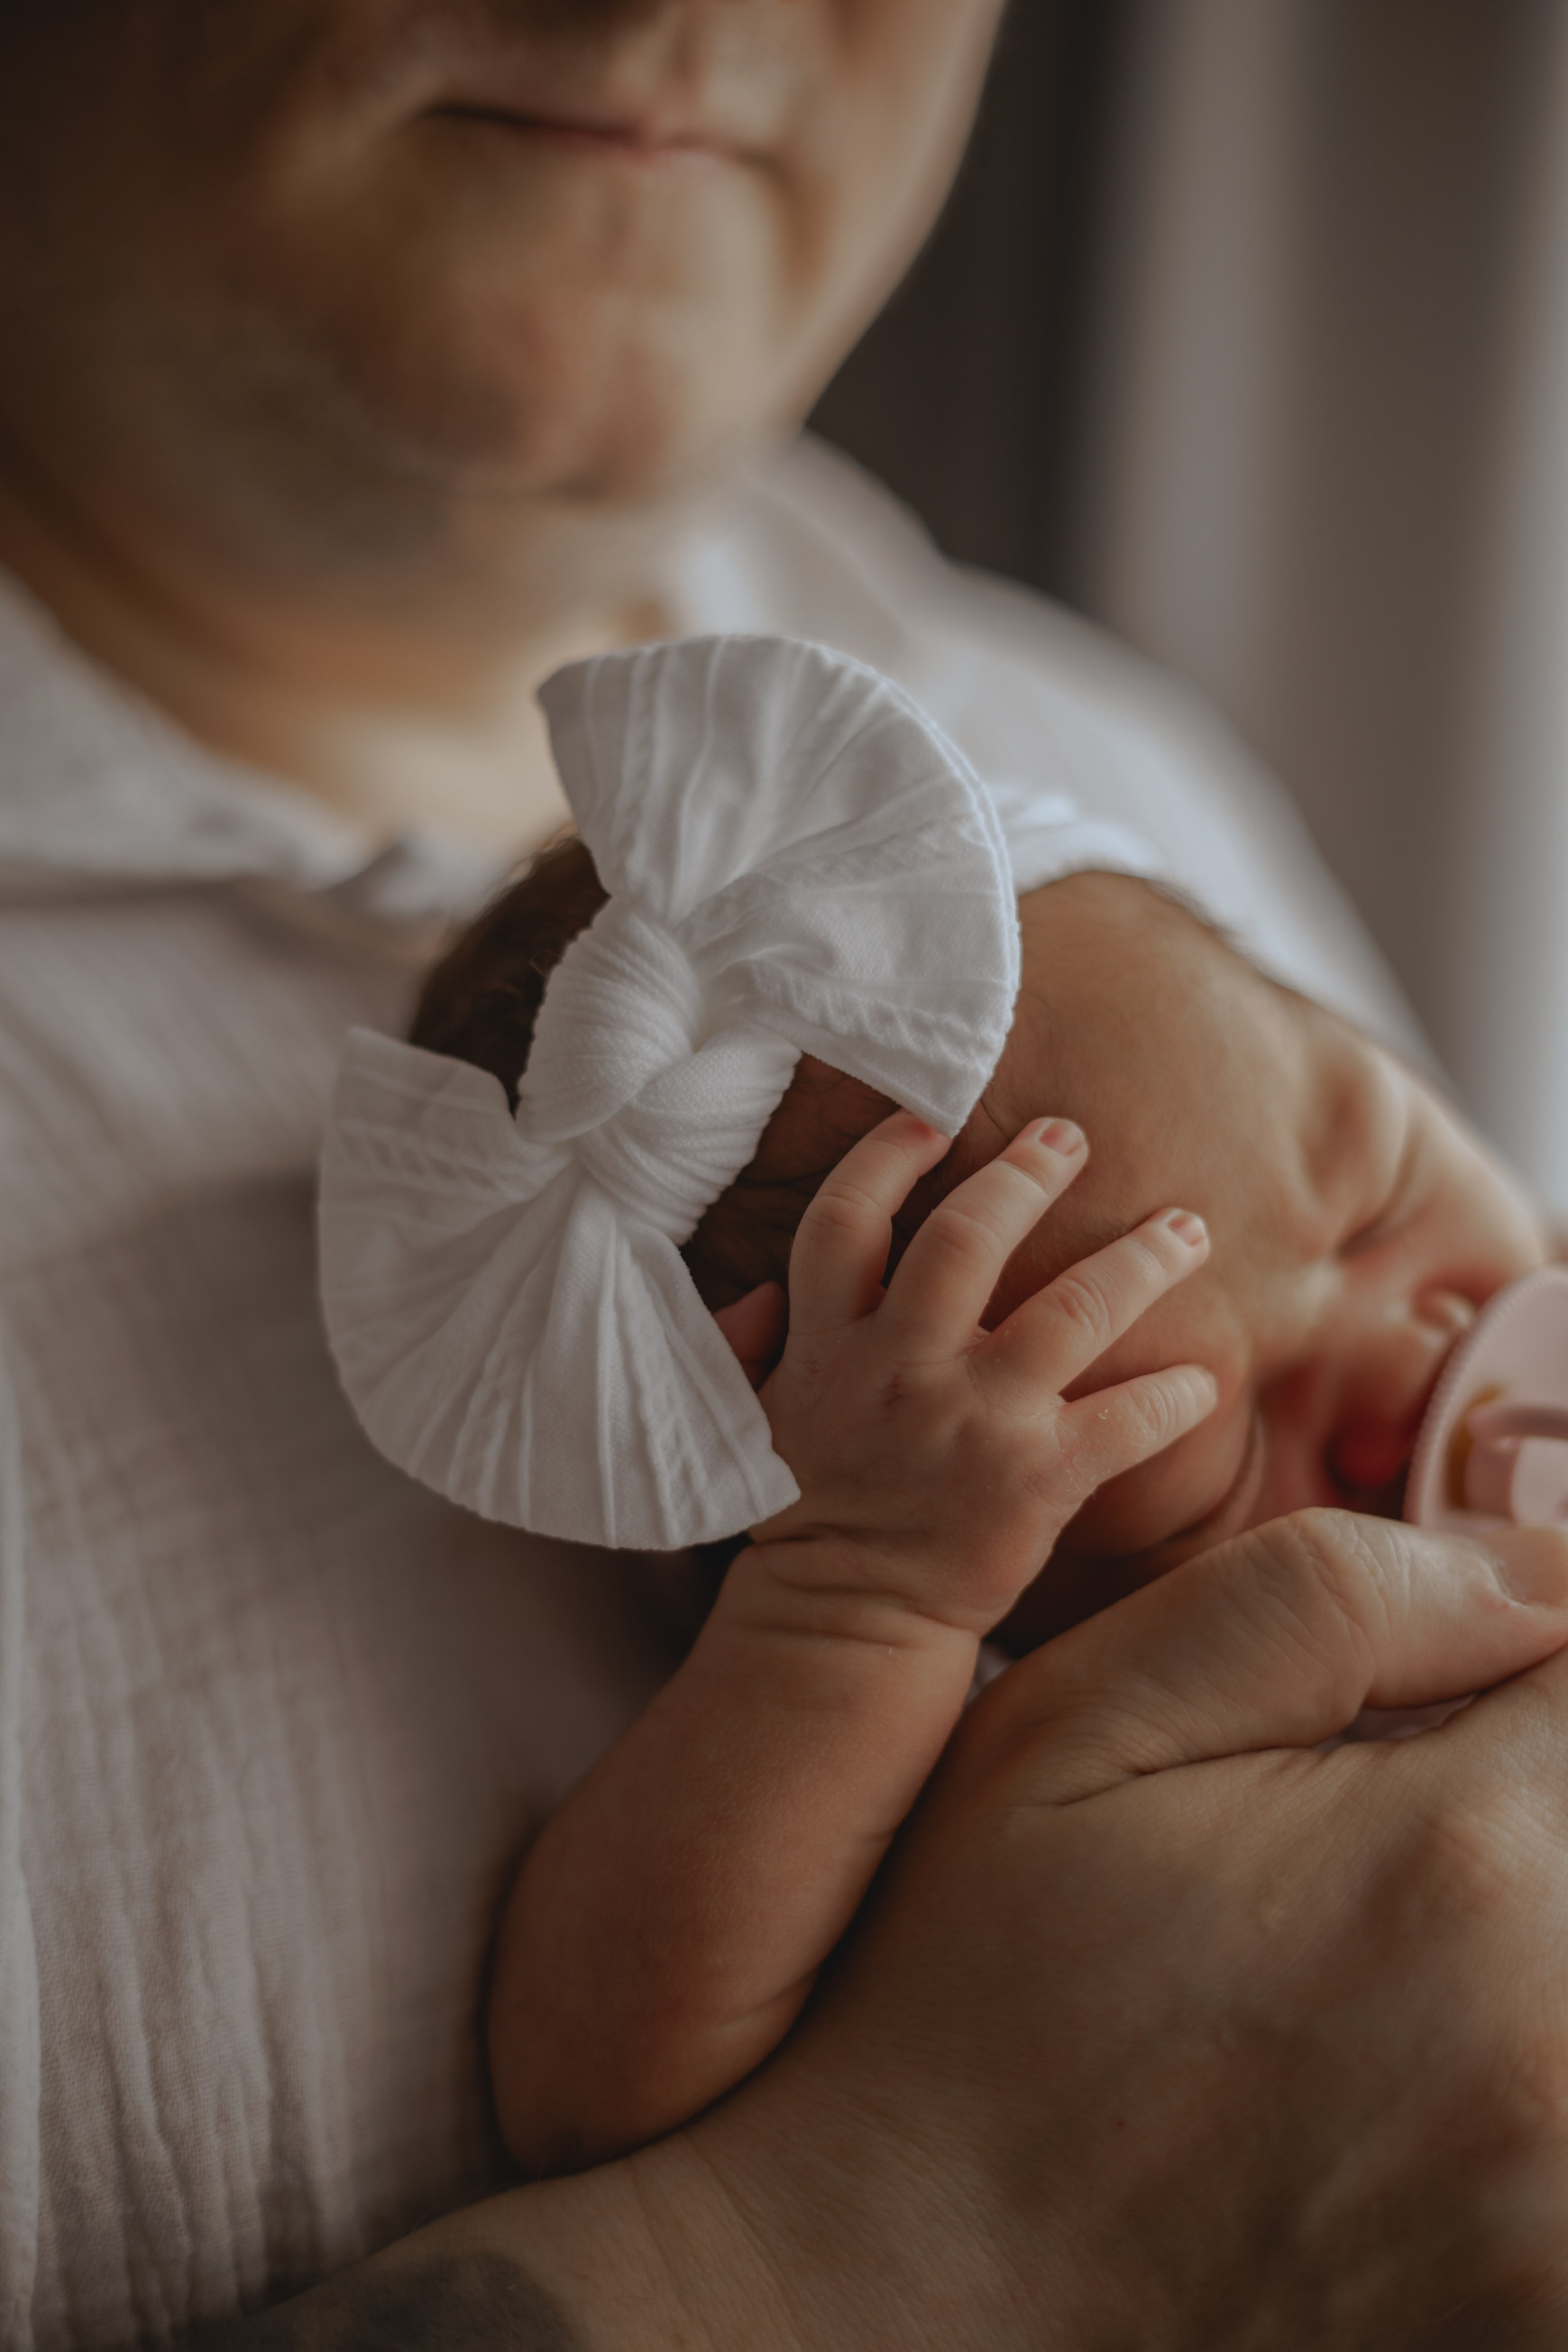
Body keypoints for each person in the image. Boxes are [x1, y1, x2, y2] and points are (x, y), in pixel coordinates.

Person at [1, 3, 1567, 2346]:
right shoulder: (919, 1720)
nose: (1408, 1343)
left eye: (1355, 1160)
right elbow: (605, 2072)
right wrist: (861, 1619)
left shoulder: (1097, 749)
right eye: (1172, 1456)